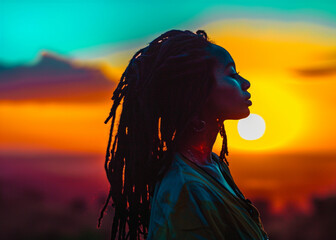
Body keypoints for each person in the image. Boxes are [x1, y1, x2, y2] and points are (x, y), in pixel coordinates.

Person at [97, 29, 269, 240]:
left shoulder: (212, 165)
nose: (245, 83)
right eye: (231, 74)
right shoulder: (186, 189)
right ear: (197, 93)